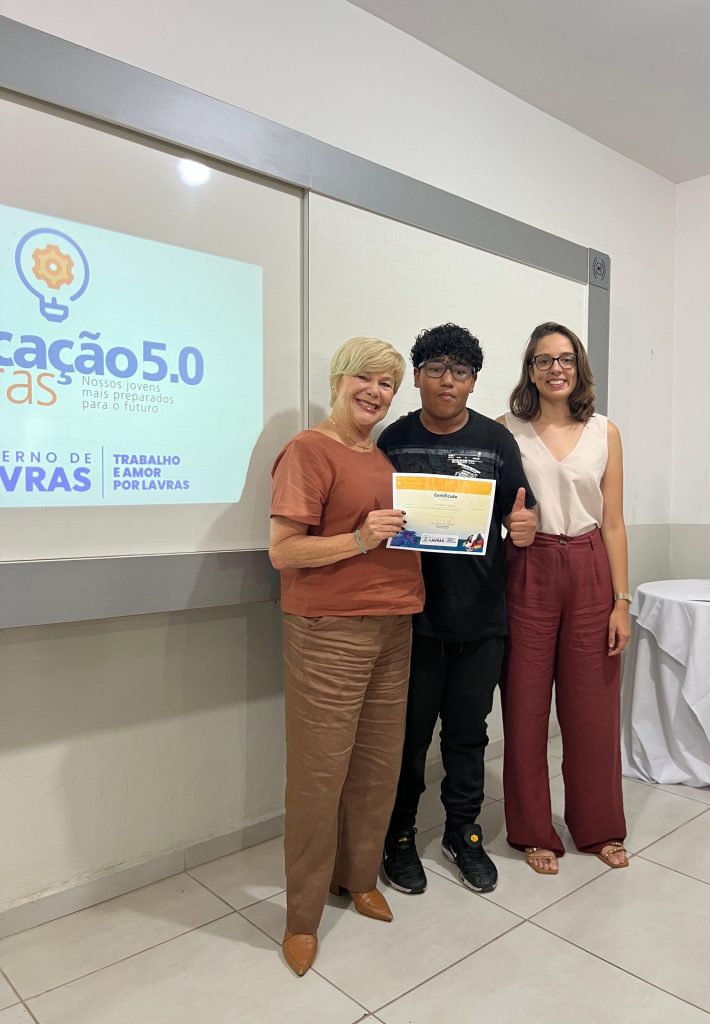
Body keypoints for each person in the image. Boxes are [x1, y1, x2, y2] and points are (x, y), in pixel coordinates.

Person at [269, 337, 424, 976]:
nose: (376, 392)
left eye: (388, 384)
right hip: (329, 630)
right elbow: (283, 551)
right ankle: (301, 918)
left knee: (377, 766)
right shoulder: (308, 450)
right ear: (338, 380)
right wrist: (358, 540)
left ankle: (358, 878)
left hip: (395, 626)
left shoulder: (383, 459)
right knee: (318, 774)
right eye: (365, 378)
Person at [378, 323, 537, 896]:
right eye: (436, 369)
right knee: (408, 739)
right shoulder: (393, 440)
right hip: (411, 619)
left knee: (468, 736)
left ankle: (463, 833)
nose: (448, 381)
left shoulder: (496, 442)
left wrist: (525, 526)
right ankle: (398, 835)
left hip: (481, 617)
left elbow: (523, 513)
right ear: (418, 377)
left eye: (461, 371)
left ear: (473, 382)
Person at [497, 322, 631, 875]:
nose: (556, 368)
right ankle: (533, 831)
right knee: (525, 707)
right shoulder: (506, 430)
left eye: (566, 358)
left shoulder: (605, 431)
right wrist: (512, 526)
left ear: (579, 368)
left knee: (593, 708)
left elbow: (614, 522)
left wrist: (621, 601)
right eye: (544, 360)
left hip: (590, 566)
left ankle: (600, 827)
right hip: (528, 568)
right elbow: (493, 514)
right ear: (530, 370)